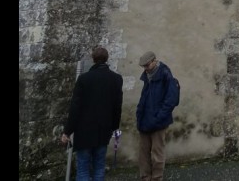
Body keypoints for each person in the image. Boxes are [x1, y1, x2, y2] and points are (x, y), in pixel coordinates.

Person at [61, 46, 123, 181]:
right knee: (99, 167)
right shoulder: (116, 79)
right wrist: (114, 128)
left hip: (84, 132)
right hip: (103, 130)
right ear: (107, 59)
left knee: (83, 168)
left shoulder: (84, 79)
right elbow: (117, 107)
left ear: (93, 59)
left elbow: (75, 107)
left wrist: (67, 131)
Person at [136, 51, 180, 181]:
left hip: (158, 121)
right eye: (143, 66)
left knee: (157, 153)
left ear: (154, 61)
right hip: (144, 120)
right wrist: (139, 114)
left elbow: (171, 100)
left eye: (147, 65)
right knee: (143, 153)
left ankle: (156, 178)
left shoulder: (165, 74)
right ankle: (145, 177)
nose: (145, 69)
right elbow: (144, 98)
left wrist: (158, 117)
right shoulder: (147, 76)